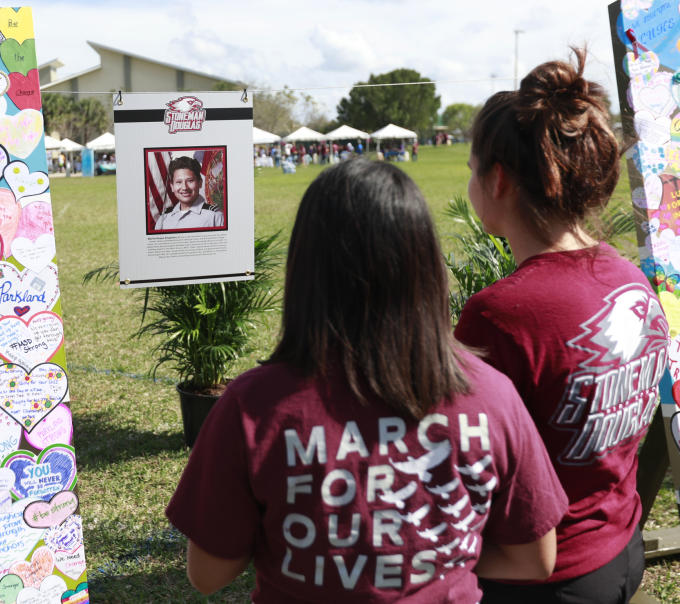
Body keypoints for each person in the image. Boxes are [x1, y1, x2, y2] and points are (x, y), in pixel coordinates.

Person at [167, 159, 568, 602]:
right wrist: (430, 561)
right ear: (425, 265)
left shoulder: (252, 406)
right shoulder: (492, 397)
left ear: (305, 269)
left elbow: (208, 573)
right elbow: (534, 558)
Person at [455, 48, 668, 604]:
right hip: (622, 549)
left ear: (497, 180)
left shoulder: (499, 314)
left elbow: (456, 463)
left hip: (538, 578)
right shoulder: (630, 280)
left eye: (472, 170)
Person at [154, 156, 224, 230]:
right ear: (172, 187)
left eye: (190, 181)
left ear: (200, 183)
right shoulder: (163, 219)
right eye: (179, 182)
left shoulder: (215, 216)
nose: (184, 187)